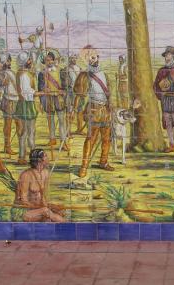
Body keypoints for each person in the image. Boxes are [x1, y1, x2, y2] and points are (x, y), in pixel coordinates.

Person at [74, 47, 115, 177]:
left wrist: (111, 104)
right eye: (89, 58)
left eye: (94, 57)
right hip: (93, 109)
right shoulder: (85, 75)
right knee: (91, 138)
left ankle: (103, 161)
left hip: (106, 110)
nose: (93, 59)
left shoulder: (104, 74)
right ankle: (84, 166)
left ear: (97, 57)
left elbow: (108, 91)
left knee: (107, 138)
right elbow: (79, 93)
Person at [15, 148, 66, 222]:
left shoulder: (45, 173)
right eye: (45, 156)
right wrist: (41, 207)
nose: (48, 158)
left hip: (38, 209)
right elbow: (23, 200)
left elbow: (44, 198)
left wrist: (52, 206)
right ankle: (67, 225)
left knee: (59, 212)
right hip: (24, 211)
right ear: (39, 160)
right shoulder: (26, 175)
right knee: (46, 211)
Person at [37, 49, 69, 150]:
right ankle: (52, 138)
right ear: (44, 62)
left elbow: (66, 84)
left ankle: (63, 142)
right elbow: (40, 86)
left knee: (61, 120)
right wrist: (44, 89)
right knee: (50, 120)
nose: (49, 62)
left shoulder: (61, 70)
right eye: (47, 60)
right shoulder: (42, 73)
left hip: (58, 98)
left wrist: (63, 90)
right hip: (48, 98)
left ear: (54, 60)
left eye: (50, 60)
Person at [14, 52, 38, 165]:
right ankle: (33, 158)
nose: (31, 61)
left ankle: (22, 156)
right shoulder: (23, 75)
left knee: (24, 133)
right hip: (27, 105)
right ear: (25, 62)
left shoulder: (21, 73)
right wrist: (41, 93)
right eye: (29, 60)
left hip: (22, 104)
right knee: (29, 133)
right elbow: (27, 91)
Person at [0, 55, 18, 155]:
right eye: (2, 61)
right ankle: (7, 146)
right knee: (8, 125)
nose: (4, 63)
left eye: (6, 61)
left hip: (16, 100)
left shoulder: (12, 72)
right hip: (8, 100)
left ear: (9, 62)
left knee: (19, 124)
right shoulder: (2, 73)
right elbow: (0, 88)